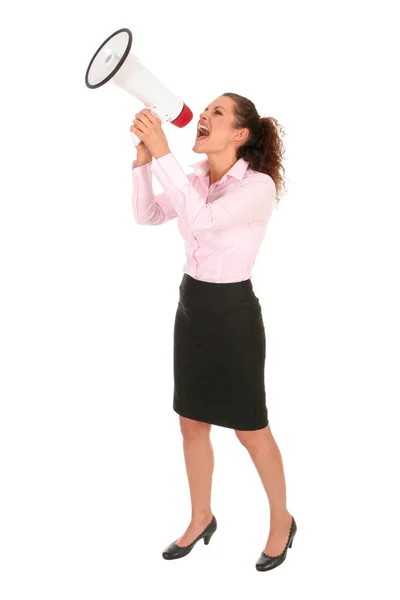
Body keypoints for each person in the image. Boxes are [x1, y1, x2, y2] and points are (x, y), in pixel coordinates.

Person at [130, 93, 297, 571]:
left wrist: (162, 151)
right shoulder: (197, 177)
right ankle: (201, 516)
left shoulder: (258, 187)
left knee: (251, 430)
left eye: (216, 112)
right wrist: (144, 163)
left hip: (232, 315)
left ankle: (281, 521)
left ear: (240, 134)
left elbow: (200, 218)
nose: (203, 115)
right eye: (205, 109)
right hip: (192, 309)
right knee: (191, 424)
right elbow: (147, 215)